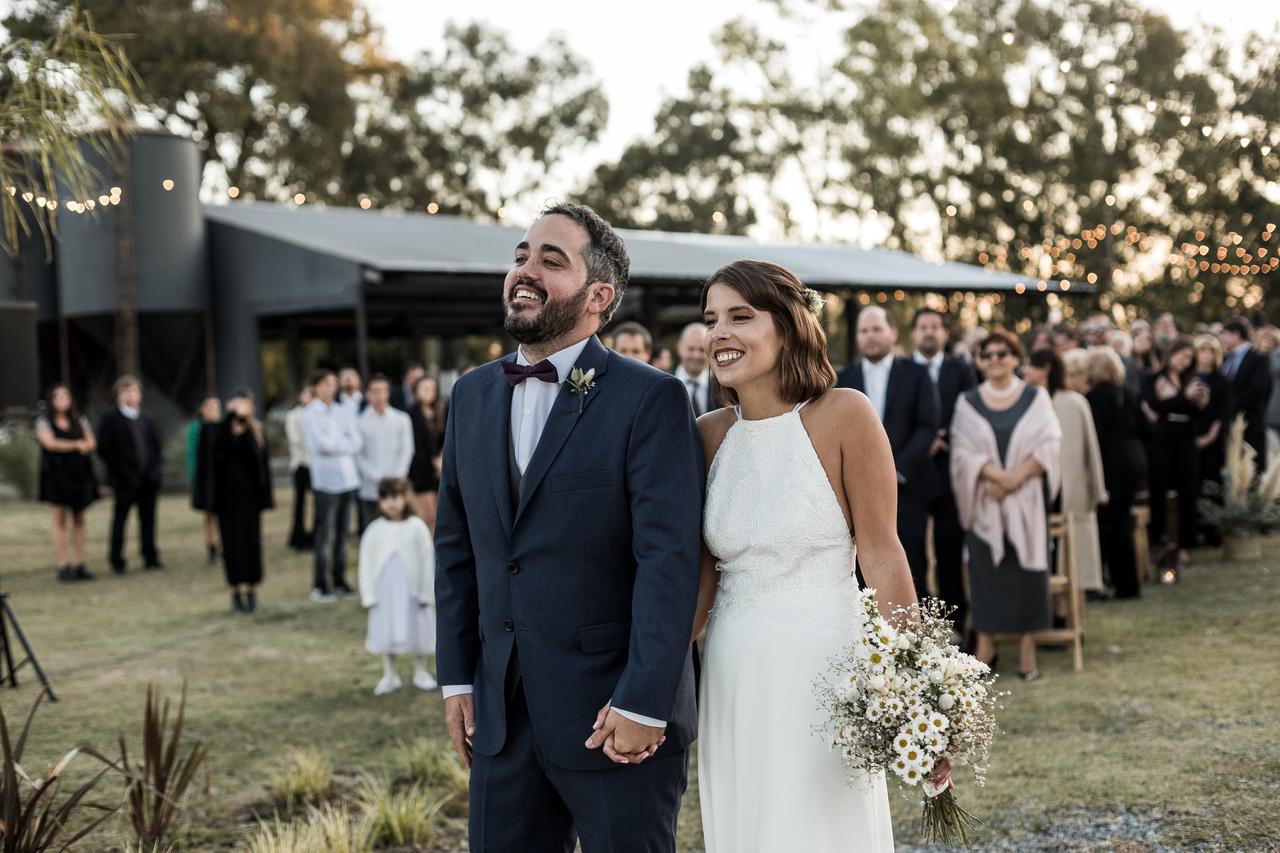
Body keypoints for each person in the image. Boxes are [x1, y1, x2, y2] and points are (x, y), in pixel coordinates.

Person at [435, 202, 703, 852]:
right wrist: (460, 678)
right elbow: (455, 546)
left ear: (599, 295)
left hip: (613, 716)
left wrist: (644, 701)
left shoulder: (650, 396)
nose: (525, 271)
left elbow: (669, 561)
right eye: (521, 255)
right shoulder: (471, 394)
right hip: (501, 718)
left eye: (551, 260)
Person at [694, 260, 929, 852]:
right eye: (711, 320)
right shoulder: (705, 436)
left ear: (790, 326)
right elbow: (697, 579)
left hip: (826, 670)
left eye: (740, 317)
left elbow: (881, 556)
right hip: (733, 672)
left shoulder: (844, 414)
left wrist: (916, 689)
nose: (719, 332)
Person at [951, 331, 1061, 682]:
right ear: (979, 360)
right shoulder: (967, 402)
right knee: (986, 576)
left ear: (1016, 358)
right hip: (986, 501)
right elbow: (963, 452)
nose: (995, 359)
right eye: (987, 354)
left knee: (1029, 573)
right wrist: (997, 476)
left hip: (1026, 500)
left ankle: (1027, 649)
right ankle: (986, 644)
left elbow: (1049, 444)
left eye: (1003, 353)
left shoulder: (1036, 397)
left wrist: (1015, 478)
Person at [836, 306, 939, 598]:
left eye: (877, 329)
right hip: (858, 489)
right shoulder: (843, 378)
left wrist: (896, 469)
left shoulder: (918, 375)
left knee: (913, 559)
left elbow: (927, 426)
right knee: (860, 563)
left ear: (893, 333)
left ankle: (913, 636)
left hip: (908, 485)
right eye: (864, 331)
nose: (870, 337)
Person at [910, 307, 977, 632]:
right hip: (914, 471)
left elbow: (969, 409)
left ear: (945, 334)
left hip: (950, 468)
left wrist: (944, 437)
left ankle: (957, 621)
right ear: (913, 333)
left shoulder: (959, 369)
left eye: (935, 327)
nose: (929, 332)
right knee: (914, 551)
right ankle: (921, 622)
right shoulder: (904, 369)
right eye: (923, 327)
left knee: (950, 549)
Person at [1026, 349, 1108, 594]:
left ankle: (1069, 611)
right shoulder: (1026, 402)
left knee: (1072, 553)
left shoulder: (1074, 403)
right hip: (1037, 484)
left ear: (1046, 369)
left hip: (1072, 485)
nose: (1025, 371)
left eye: (1031, 365)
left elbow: (1091, 449)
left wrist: (1097, 489)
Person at [359, 476, 438, 694]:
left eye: (395, 497)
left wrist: (426, 591)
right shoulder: (374, 530)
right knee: (387, 628)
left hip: (412, 589)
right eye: (385, 498)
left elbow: (426, 560)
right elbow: (366, 562)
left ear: (405, 498)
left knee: (419, 626)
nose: (391, 503)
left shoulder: (416, 527)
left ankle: (420, 671)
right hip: (385, 591)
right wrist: (369, 593)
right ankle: (389, 674)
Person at [1084, 347, 1148, 599]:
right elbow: (1144, 426)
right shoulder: (1130, 392)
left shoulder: (1093, 398)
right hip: (1134, 459)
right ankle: (1128, 584)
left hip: (1112, 464)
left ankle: (1111, 583)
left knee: (1110, 525)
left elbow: (1095, 436)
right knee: (1122, 523)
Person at [1141, 337, 1208, 570]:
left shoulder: (1191, 380)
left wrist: (1199, 403)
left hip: (1187, 440)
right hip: (1161, 442)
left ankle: (1185, 546)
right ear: (1172, 354)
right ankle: (1159, 543)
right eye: (1183, 355)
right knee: (1159, 492)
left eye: (1190, 358)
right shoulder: (1152, 379)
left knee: (1188, 492)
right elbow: (1154, 407)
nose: (1185, 361)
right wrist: (1182, 398)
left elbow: (1194, 414)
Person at [208, 390, 274, 613]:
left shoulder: (255, 430)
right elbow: (216, 451)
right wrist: (230, 422)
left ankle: (253, 591)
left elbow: (258, 459)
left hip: (250, 500)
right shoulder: (220, 430)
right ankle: (235, 592)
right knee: (232, 546)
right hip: (227, 500)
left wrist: (246, 428)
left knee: (251, 545)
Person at [302, 368, 362, 600]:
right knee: (325, 533)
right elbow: (321, 445)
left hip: (348, 478)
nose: (331, 388)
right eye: (326, 384)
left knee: (342, 533)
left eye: (333, 383)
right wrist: (342, 444)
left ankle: (339, 579)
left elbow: (356, 441)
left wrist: (340, 444)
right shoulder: (310, 414)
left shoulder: (342, 410)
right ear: (316, 387)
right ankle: (320, 583)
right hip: (326, 481)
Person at [96, 375, 163, 574]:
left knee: (148, 520)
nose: (130, 394)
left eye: (134, 391)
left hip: (147, 480)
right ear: (118, 395)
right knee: (120, 520)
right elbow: (105, 449)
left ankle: (150, 557)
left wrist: (154, 471)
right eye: (126, 391)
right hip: (124, 480)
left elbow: (155, 447)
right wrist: (123, 472)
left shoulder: (146, 418)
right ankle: (117, 560)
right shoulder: (110, 419)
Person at [34, 384, 99, 582]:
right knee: (60, 519)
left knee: (79, 519)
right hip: (57, 476)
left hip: (79, 475)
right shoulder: (44, 422)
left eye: (65, 396)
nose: (61, 400)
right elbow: (50, 443)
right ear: (51, 401)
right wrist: (76, 445)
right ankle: (63, 565)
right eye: (57, 396)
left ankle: (80, 564)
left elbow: (91, 443)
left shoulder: (80, 420)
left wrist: (81, 445)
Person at [356, 374, 414, 533]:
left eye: (383, 391)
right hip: (370, 487)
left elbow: (407, 449)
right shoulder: (360, 422)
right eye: (375, 391)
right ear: (367, 394)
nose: (379, 395)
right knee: (372, 530)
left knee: (399, 529)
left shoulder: (401, 419)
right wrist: (378, 476)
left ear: (388, 392)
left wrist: (397, 475)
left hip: (397, 484)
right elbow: (359, 455)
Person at [1192, 334, 1232, 546]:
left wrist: (1209, 437)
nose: (1206, 356)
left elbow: (1222, 413)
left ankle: (1213, 531)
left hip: (1213, 441)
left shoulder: (1221, 380)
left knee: (1212, 481)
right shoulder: (1189, 378)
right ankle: (1195, 529)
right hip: (1190, 438)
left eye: (1210, 352)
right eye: (1202, 351)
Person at [1220, 316, 1271, 464]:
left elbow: (1258, 389)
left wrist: (1232, 405)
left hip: (1250, 423)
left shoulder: (1258, 358)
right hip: (1229, 424)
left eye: (1224, 334)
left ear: (1235, 334)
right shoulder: (1225, 359)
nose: (1222, 338)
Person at [406, 374, 444, 529]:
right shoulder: (410, 414)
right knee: (428, 516)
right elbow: (416, 445)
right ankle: (428, 550)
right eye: (425, 388)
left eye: (432, 388)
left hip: (440, 471)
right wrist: (433, 463)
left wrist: (441, 458)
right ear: (416, 391)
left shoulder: (439, 413)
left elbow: (444, 439)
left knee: (439, 516)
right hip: (422, 471)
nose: (429, 391)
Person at [188, 394, 221, 566]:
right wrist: (195, 479)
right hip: (205, 479)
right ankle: (211, 549)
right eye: (210, 407)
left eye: (216, 408)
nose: (213, 411)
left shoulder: (222, 427)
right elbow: (193, 455)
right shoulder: (197, 429)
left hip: (220, 479)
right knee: (209, 516)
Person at [285, 384, 314, 550]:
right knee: (300, 502)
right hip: (300, 463)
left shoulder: (317, 414)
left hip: (315, 464)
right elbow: (295, 439)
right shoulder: (293, 416)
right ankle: (298, 535)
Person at [675, 321, 713, 415]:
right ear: (679, 348)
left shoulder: (722, 387)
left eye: (701, 350)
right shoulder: (663, 384)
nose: (696, 356)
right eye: (691, 349)